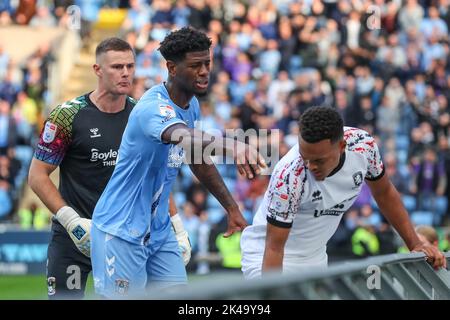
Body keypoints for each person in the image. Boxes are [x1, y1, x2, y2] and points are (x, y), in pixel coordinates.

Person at [91, 27, 266, 299]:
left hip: (159, 232)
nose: (205, 71)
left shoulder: (191, 104)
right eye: (195, 65)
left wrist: (231, 207)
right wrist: (231, 144)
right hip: (121, 230)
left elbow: (197, 158)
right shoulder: (152, 107)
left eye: (207, 63)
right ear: (172, 68)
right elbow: (182, 135)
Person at [240, 106, 447, 279]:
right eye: (305, 158)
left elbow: (384, 193)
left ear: (341, 146)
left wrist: (416, 244)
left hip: (315, 258)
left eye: (319, 160)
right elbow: (274, 248)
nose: (310, 166)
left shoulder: (363, 146)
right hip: (266, 256)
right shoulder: (289, 175)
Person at [28, 38, 139, 299]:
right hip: (73, 237)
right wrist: (72, 221)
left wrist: (174, 225)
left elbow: (154, 175)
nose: (125, 73)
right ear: (97, 70)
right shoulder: (66, 116)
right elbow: (37, 175)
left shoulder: (140, 115)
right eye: (117, 66)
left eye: (130, 66)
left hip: (121, 238)